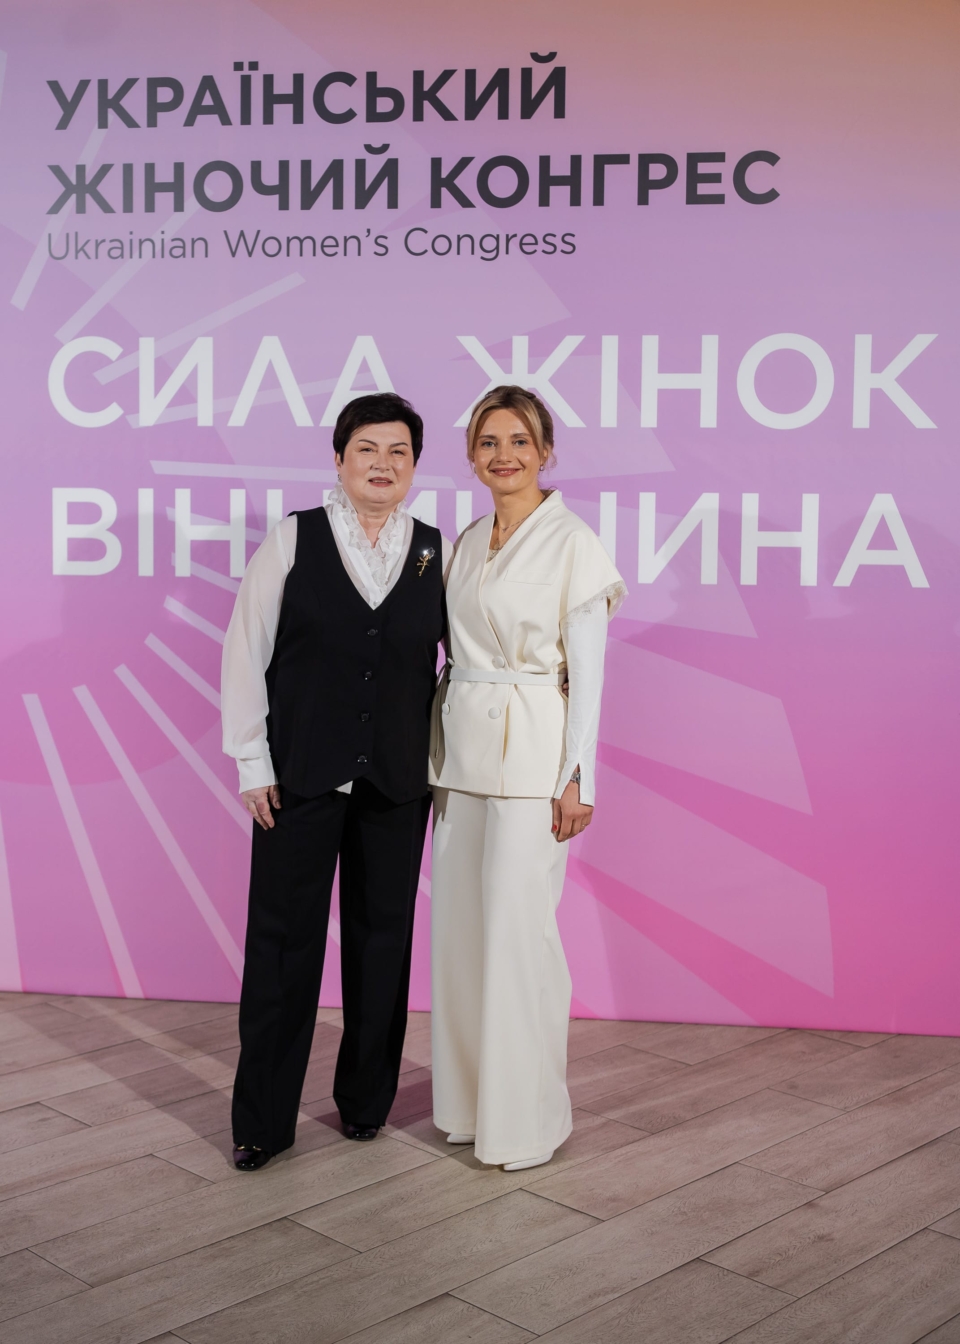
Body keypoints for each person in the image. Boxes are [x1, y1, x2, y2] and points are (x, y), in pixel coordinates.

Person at [221, 392, 449, 1171]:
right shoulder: (294, 538)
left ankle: (365, 1104)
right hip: (300, 779)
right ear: (339, 459)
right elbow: (245, 650)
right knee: (282, 949)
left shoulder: (435, 550)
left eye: (398, 452)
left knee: (383, 946)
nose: (383, 464)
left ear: (415, 466)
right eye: (367, 450)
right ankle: (262, 1123)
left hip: (396, 783)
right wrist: (253, 761)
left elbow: (461, 664)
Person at [429, 385, 626, 1171]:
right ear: (471, 456)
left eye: (519, 441)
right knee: (461, 939)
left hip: (536, 759)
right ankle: (468, 1108)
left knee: (520, 939)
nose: (503, 455)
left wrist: (578, 778)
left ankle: (527, 1122)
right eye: (489, 442)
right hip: (459, 756)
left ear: (546, 452)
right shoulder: (468, 538)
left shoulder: (574, 543)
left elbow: (590, 675)